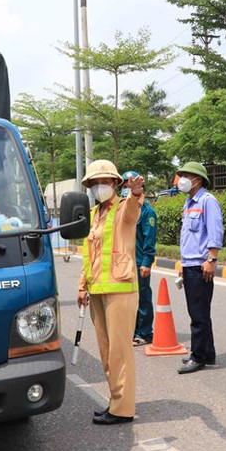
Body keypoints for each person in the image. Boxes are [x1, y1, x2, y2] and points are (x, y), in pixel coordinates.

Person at [77, 159, 144, 425]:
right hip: (97, 291)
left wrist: (136, 193)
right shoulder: (93, 215)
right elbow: (88, 253)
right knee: (106, 351)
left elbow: (133, 211)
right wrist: (83, 285)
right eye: (94, 183)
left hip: (120, 289)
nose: (99, 187)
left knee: (120, 351)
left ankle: (123, 410)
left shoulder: (123, 208)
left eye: (104, 182)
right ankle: (115, 401)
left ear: (115, 183)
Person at [176, 162, 223, 375]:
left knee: (198, 314)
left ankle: (198, 357)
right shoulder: (189, 202)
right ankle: (207, 353)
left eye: (186, 175)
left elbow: (215, 231)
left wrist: (212, 259)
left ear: (198, 179)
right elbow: (188, 237)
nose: (182, 179)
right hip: (190, 264)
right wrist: (182, 263)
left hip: (200, 265)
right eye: (182, 175)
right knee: (201, 311)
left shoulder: (207, 201)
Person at [121, 171, 157, 347]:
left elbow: (149, 239)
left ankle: (145, 333)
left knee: (142, 297)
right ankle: (132, 330)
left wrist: (146, 262)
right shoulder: (123, 209)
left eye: (129, 184)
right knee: (128, 299)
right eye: (125, 185)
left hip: (139, 261)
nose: (126, 188)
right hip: (125, 262)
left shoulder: (147, 212)